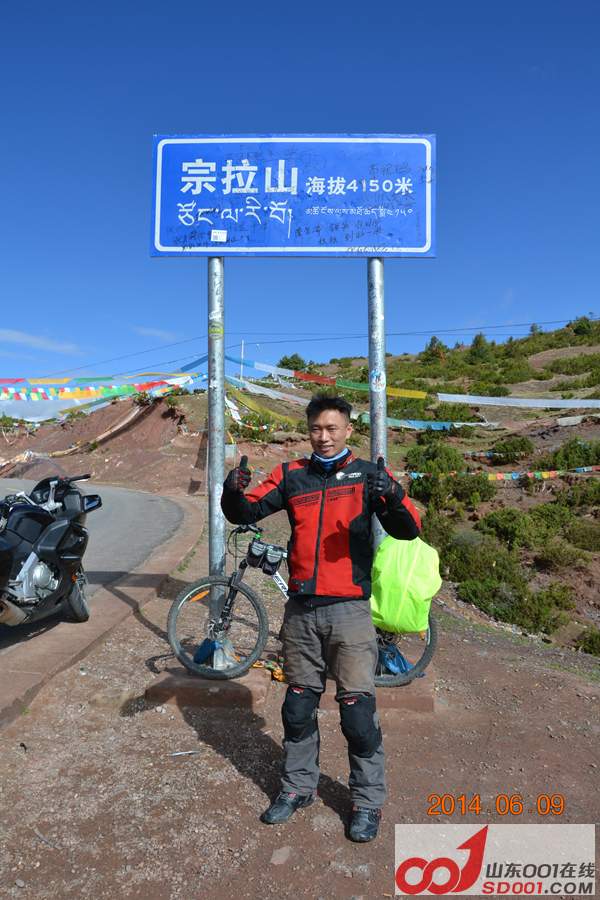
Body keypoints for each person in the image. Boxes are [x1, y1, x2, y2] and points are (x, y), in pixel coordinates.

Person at [221, 394, 421, 842]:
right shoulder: (292, 475)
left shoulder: (368, 475)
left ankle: (366, 802)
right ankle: (297, 787)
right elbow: (245, 511)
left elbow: (408, 530)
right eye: (316, 429)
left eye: (332, 429)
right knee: (297, 707)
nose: (324, 437)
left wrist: (392, 496)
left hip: (350, 612)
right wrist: (231, 491)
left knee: (357, 716)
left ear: (348, 430)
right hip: (301, 612)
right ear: (308, 430)